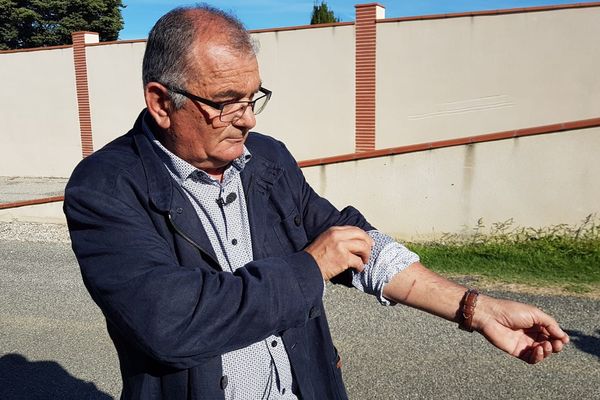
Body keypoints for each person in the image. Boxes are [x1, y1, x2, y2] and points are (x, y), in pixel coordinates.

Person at [64, 5, 569, 400]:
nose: (248, 120)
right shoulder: (104, 189)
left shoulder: (265, 159)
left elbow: (352, 243)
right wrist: (309, 268)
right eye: (225, 102)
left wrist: (475, 309)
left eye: (253, 97)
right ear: (161, 103)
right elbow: (171, 322)